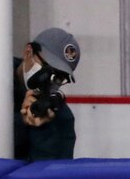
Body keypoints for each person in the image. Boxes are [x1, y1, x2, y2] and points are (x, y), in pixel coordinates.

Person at [13, 27, 80, 161]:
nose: (52, 81)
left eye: (60, 76)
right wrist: (21, 122)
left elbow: (53, 175)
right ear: (28, 53)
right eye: (48, 70)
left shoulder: (62, 117)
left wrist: (43, 129)